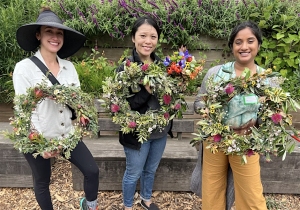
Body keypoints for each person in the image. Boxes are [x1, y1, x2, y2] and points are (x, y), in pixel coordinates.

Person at [13, 7, 99, 210]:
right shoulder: (24, 68)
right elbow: (23, 111)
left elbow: (77, 101)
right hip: (38, 137)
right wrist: (40, 145)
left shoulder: (69, 68)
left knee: (92, 171)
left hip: (67, 135)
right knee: (42, 181)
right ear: (38, 35)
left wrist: (82, 120)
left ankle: (89, 206)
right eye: (49, 32)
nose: (55, 37)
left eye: (59, 33)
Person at [193, 21, 268, 210]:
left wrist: (274, 115)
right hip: (215, 140)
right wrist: (207, 110)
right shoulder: (216, 73)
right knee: (212, 190)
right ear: (232, 46)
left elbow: (268, 116)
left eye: (250, 41)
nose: (244, 47)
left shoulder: (266, 80)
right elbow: (198, 102)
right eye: (238, 42)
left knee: (251, 195)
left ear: (258, 45)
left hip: (246, 143)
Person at [116, 16, 170, 210]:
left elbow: (168, 99)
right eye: (143, 36)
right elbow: (122, 105)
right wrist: (146, 92)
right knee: (133, 172)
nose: (148, 41)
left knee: (151, 169)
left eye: (153, 36)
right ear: (133, 38)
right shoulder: (126, 68)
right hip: (136, 132)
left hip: (160, 131)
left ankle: (146, 199)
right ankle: (128, 205)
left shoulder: (164, 67)